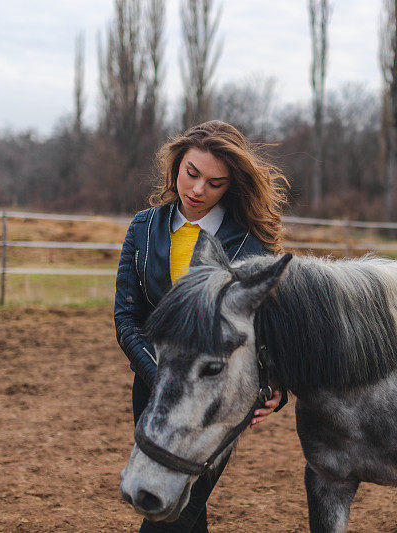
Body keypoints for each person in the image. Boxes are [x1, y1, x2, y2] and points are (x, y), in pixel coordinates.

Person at [114, 120, 288, 532]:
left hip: (217, 397)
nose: (196, 190)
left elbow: (271, 331)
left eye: (215, 183)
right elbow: (126, 317)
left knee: (165, 514)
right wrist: (160, 379)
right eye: (191, 173)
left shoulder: (250, 245)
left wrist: (277, 390)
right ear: (176, 163)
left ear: (231, 186)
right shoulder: (143, 227)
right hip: (152, 391)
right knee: (185, 510)